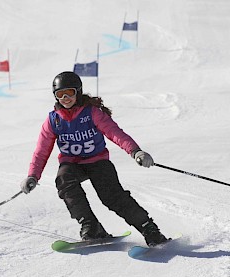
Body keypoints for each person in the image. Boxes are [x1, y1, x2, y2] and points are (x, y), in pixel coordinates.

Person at [20, 71, 168, 246]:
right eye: (60, 94)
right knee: (64, 180)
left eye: (70, 93)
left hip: (97, 161)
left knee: (112, 197)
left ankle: (149, 228)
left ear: (78, 92)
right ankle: (91, 226)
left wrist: (135, 151)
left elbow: (115, 133)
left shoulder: (92, 113)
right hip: (72, 163)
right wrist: (33, 176)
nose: (65, 98)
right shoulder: (54, 120)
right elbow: (41, 151)